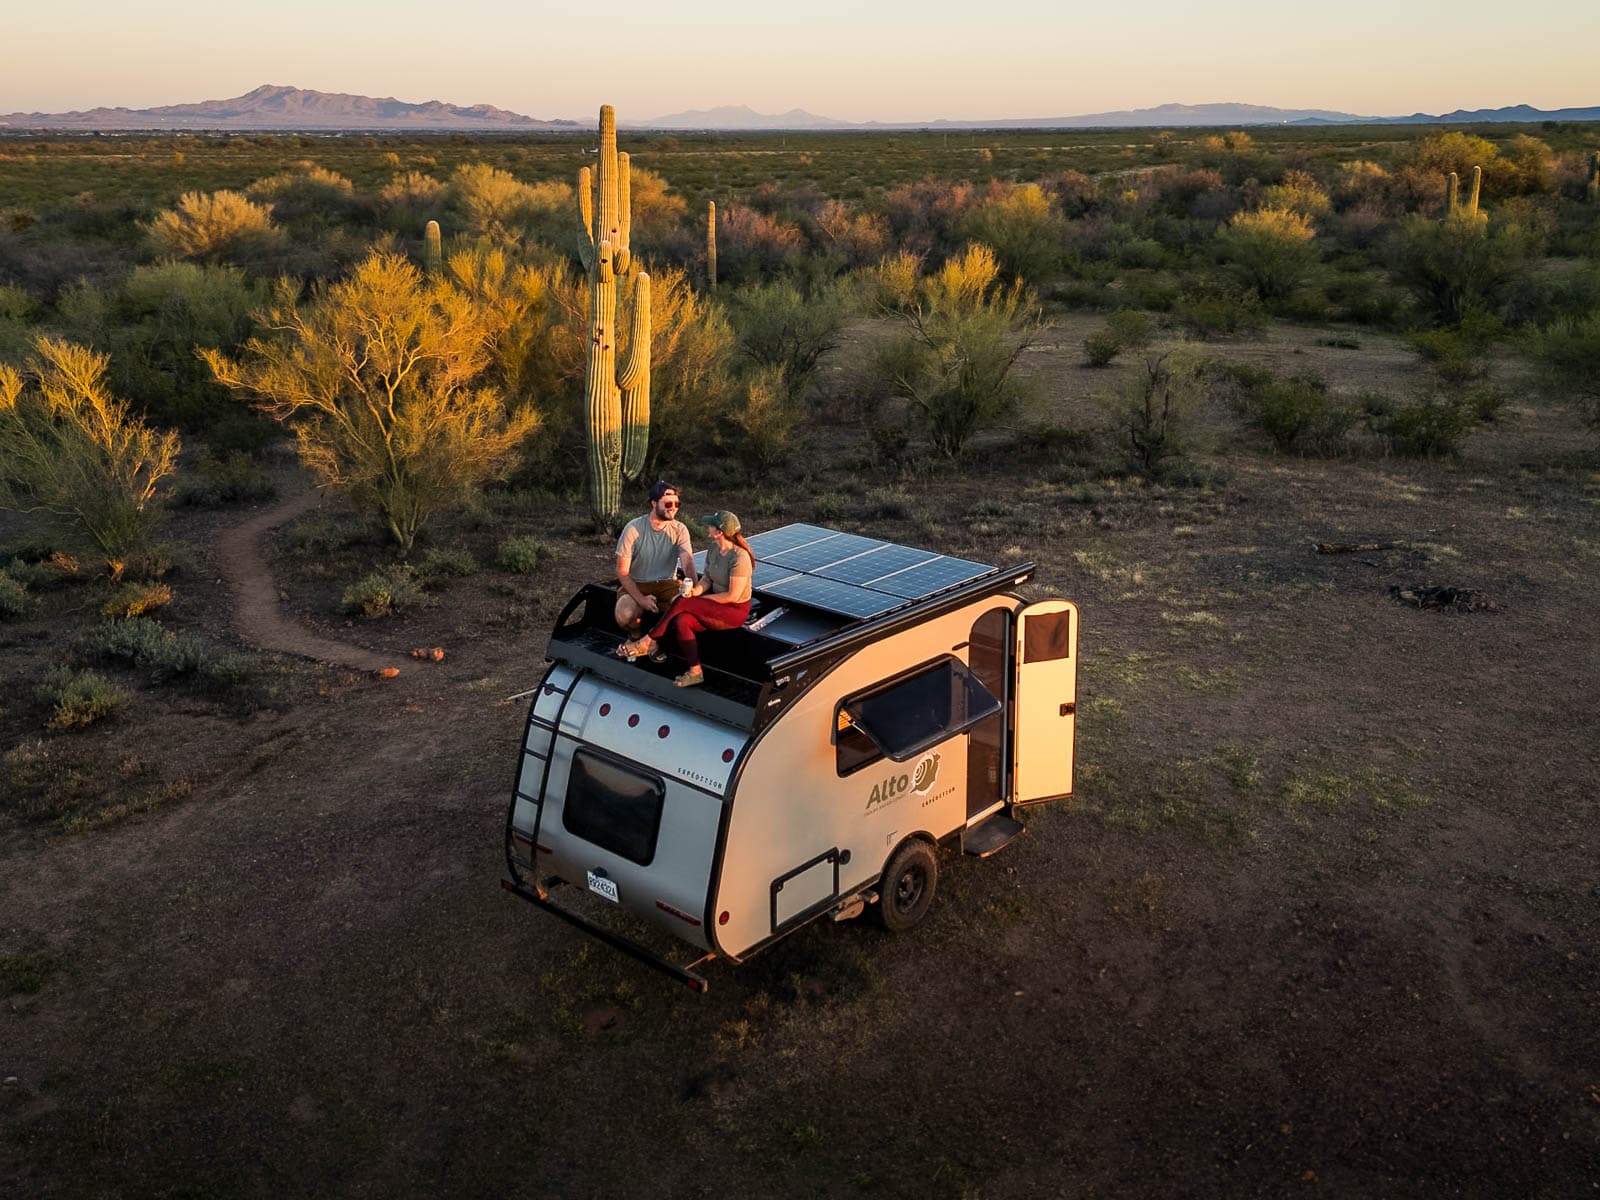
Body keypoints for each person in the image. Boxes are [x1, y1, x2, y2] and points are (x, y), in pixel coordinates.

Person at [618, 511, 754, 688]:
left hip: (734, 610)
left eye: (711, 525)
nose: (708, 527)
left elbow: (732, 596)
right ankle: (695, 671)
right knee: (683, 619)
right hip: (716, 605)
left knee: (683, 603)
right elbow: (707, 579)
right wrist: (694, 592)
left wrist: (697, 601)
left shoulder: (739, 557)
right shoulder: (714, 548)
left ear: (720, 531)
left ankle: (648, 641)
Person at [614, 481, 696, 636]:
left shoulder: (680, 529)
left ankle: (657, 643)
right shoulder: (633, 529)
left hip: (667, 583)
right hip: (637, 583)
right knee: (625, 615)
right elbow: (622, 571)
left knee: (686, 610)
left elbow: (688, 563)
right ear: (654, 503)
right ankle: (635, 634)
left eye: (677, 504)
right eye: (668, 503)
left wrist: (693, 590)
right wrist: (641, 600)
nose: (673, 508)